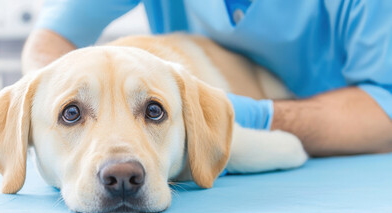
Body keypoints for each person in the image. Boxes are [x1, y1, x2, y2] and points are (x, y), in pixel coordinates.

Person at [22, 0, 392, 157]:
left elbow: (384, 112)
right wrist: (70, 121)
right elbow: (51, 40)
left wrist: (250, 117)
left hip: (351, 142)